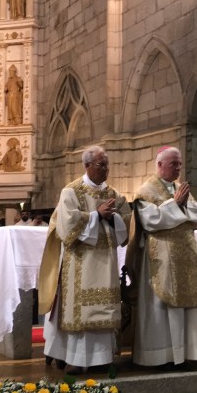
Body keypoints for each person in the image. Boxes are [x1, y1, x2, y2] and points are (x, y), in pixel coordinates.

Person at [38, 146, 132, 373]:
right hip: (80, 262)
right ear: (87, 165)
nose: (106, 170)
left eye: (107, 165)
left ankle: (102, 358)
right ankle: (77, 359)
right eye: (101, 165)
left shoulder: (114, 194)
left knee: (105, 308)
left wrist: (114, 219)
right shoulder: (71, 192)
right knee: (82, 311)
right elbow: (67, 226)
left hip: (106, 262)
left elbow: (127, 220)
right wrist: (96, 215)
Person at [130, 147, 197, 369]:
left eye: (180, 164)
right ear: (159, 165)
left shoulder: (179, 188)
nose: (178, 168)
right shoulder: (147, 190)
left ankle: (186, 354)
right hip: (162, 256)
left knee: (186, 305)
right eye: (173, 163)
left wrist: (179, 207)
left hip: (184, 254)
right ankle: (160, 356)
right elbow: (151, 220)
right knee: (161, 305)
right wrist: (175, 205)